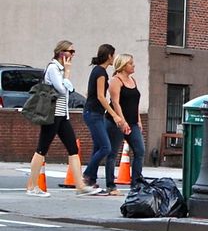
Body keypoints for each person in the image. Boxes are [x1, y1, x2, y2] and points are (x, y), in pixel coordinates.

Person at [26, 40, 104, 197]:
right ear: (62, 53)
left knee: (73, 150)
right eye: (71, 51)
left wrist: (66, 74)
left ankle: (80, 186)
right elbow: (62, 90)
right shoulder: (54, 68)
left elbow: (67, 91)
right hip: (52, 115)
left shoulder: (60, 69)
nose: (73, 54)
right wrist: (67, 73)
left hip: (62, 115)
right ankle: (31, 186)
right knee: (42, 149)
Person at [82, 44, 125, 196]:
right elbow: (101, 96)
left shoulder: (97, 71)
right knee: (106, 147)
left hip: (94, 113)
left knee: (98, 146)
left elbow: (90, 93)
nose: (114, 58)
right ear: (109, 56)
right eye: (113, 55)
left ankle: (91, 180)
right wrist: (113, 114)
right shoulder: (101, 72)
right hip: (93, 113)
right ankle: (86, 175)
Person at [107, 54, 144, 185]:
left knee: (140, 151)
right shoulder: (115, 81)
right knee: (112, 153)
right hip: (116, 123)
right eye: (130, 63)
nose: (133, 65)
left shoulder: (133, 80)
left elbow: (136, 102)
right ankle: (110, 184)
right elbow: (115, 103)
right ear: (122, 66)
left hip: (133, 122)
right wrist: (122, 122)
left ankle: (136, 183)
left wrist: (138, 119)